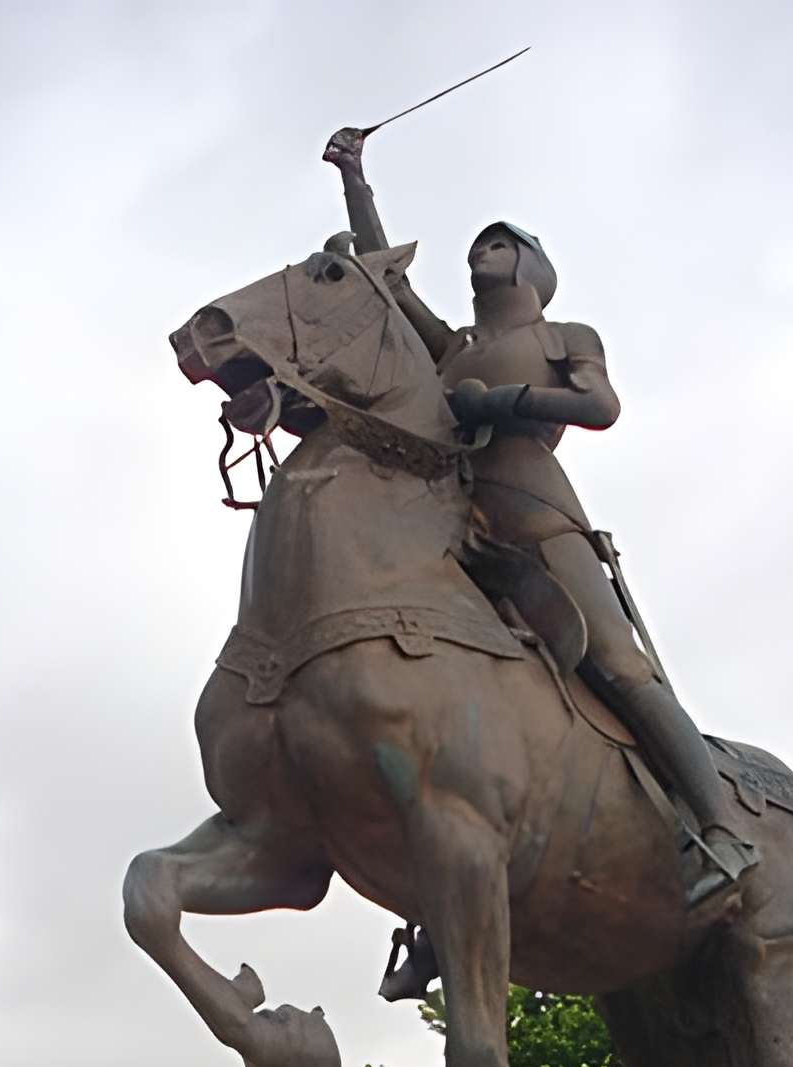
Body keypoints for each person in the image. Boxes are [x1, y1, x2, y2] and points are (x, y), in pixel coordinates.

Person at [324, 128, 760, 923]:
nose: (478, 250)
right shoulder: (454, 346)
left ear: (529, 265)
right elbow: (389, 287)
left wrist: (505, 404)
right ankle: (439, 896)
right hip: (456, 529)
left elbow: (602, 407)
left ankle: (723, 830)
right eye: (478, 243)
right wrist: (356, 179)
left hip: (536, 510)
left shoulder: (563, 337)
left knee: (619, 667)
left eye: (498, 242)